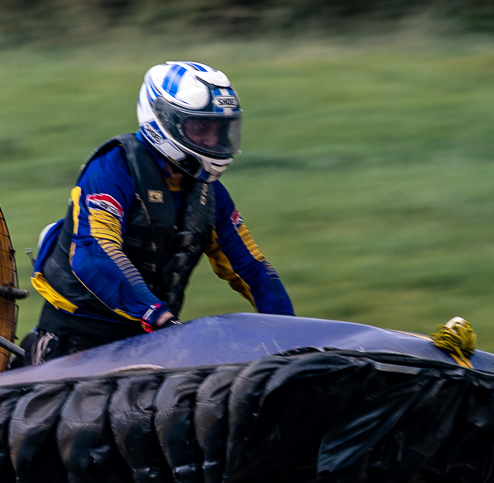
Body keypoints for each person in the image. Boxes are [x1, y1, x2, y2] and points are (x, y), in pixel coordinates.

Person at [21, 61, 293, 365]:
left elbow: (252, 269)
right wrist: (155, 313)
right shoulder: (113, 168)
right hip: (77, 341)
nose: (212, 141)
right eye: (200, 128)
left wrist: (292, 336)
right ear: (162, 120)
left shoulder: (209, 192)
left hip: (152, 342)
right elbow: (94, 251)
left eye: (219, 130)